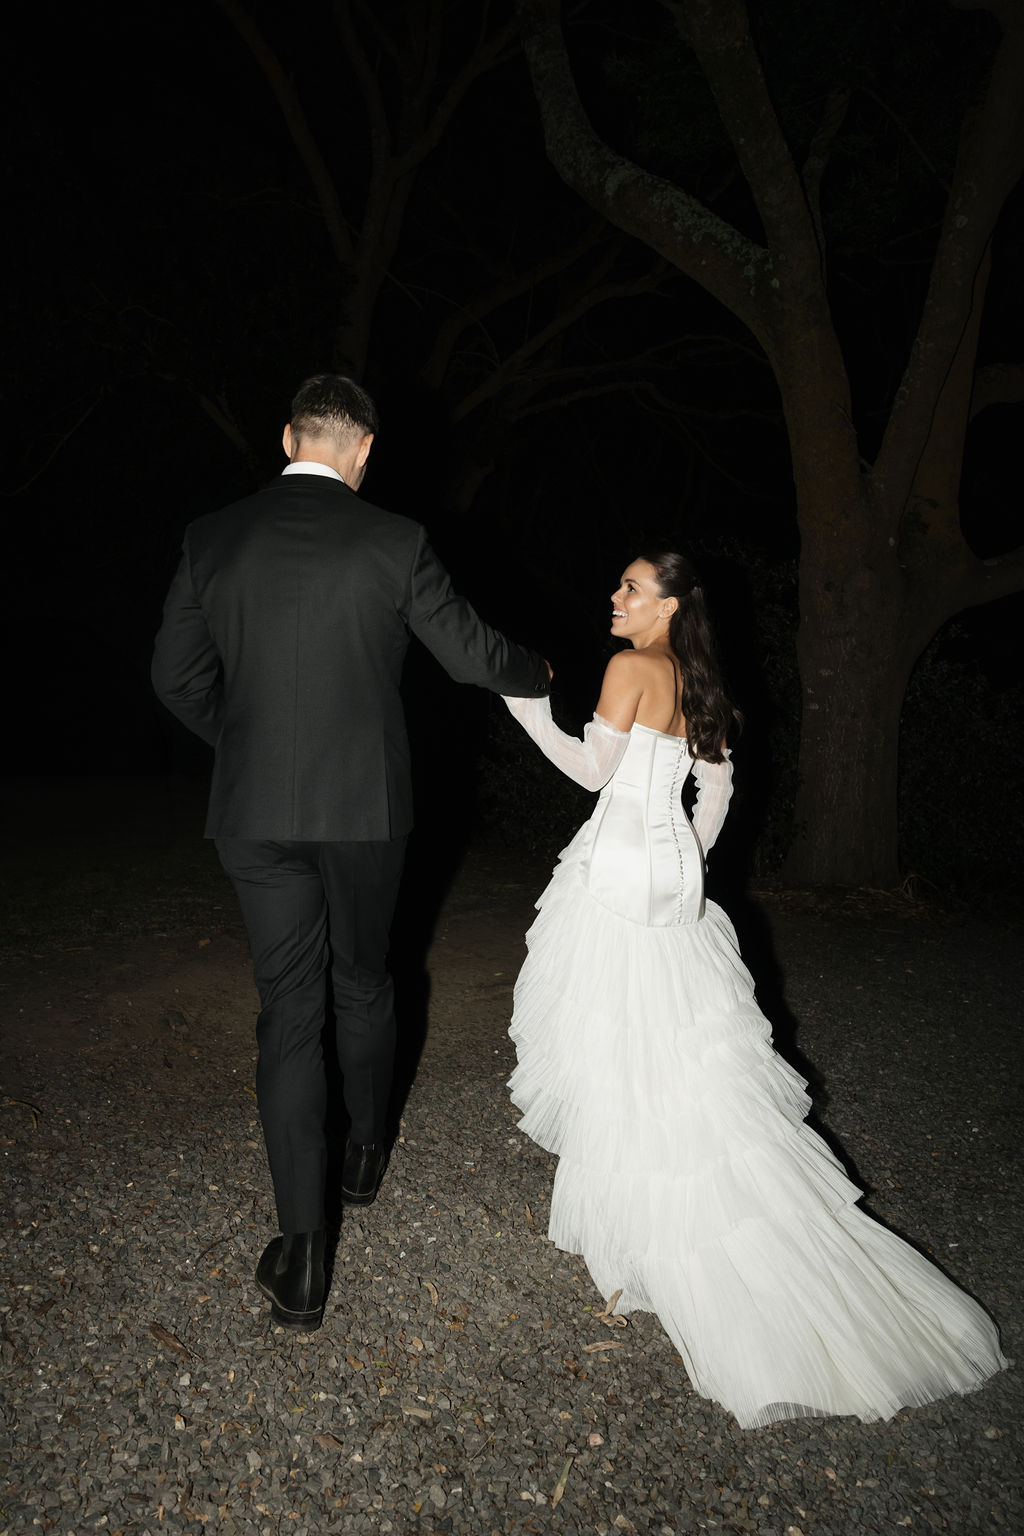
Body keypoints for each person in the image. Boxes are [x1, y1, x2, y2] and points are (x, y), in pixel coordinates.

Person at [503, 549, 1007, 1429]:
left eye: (631, 588)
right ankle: (664, 1211)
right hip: (673, 885)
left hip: (618, 879)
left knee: (619, 1040)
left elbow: (591, 771)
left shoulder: (630, 667)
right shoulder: (698, 679)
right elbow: (718, 785)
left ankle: (649, 1226)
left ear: (667, 607)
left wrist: (521, 701)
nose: (615, 596)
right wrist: (689, 860)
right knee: (678, 1048)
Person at [152, 373, 549, 1332]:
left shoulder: (212, 537)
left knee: (289, 1013)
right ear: (363, 451)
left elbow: (173, 679)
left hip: (255, 811)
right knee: (364, 978)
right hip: (366, 808)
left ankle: (301, 1259)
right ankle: (366, 1152)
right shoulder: (393, 540)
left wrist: (246, 746)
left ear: (288, 436)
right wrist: (536, 669)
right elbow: (471, 656)